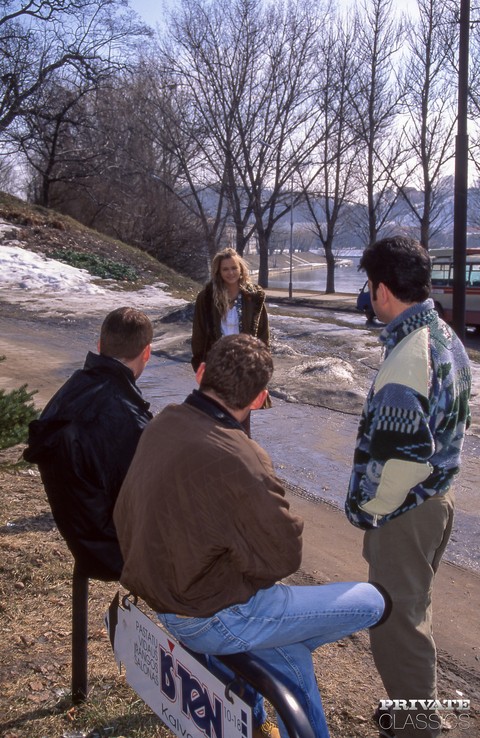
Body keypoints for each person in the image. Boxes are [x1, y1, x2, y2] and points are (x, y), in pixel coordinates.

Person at [113, 333, 386, 738]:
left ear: (201, 373)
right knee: (375, 600)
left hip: (166, 602)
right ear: (260, 399)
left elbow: (126, 511)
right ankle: (277, 650)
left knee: (292, 659)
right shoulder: (241, 457)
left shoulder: (164, 421)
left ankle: (269, 695)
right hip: (213, 617)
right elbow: (282, 558)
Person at [344, 237, 471, 738]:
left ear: (380, 289)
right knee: (414, 611)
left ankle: (421, 727)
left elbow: (400, 461)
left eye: (367, 285)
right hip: (439, 500)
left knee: (397, 625)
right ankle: (413, 711)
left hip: (406, 512)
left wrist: (365, 509)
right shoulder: (445, 336)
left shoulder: (409, 355)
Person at [23, 307, 153, 581]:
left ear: (99, 346)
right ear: (147, 353)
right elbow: (140, 496)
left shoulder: (76, 386)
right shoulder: (124, 416)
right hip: (112, 549)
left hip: (81, 530)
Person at [191, 247, 270, 435]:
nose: (231, 273)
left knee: (243, 422)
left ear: (241, 269)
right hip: (218, 364)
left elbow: (263, 334)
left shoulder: (253, 297)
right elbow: (199, 333)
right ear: (218, 271)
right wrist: (199, 364)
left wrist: (262, 362)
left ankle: (242, 456)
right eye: (225, 269)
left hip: (246, 364)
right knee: (216, 417)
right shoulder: (207, 297)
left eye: (234, 268)